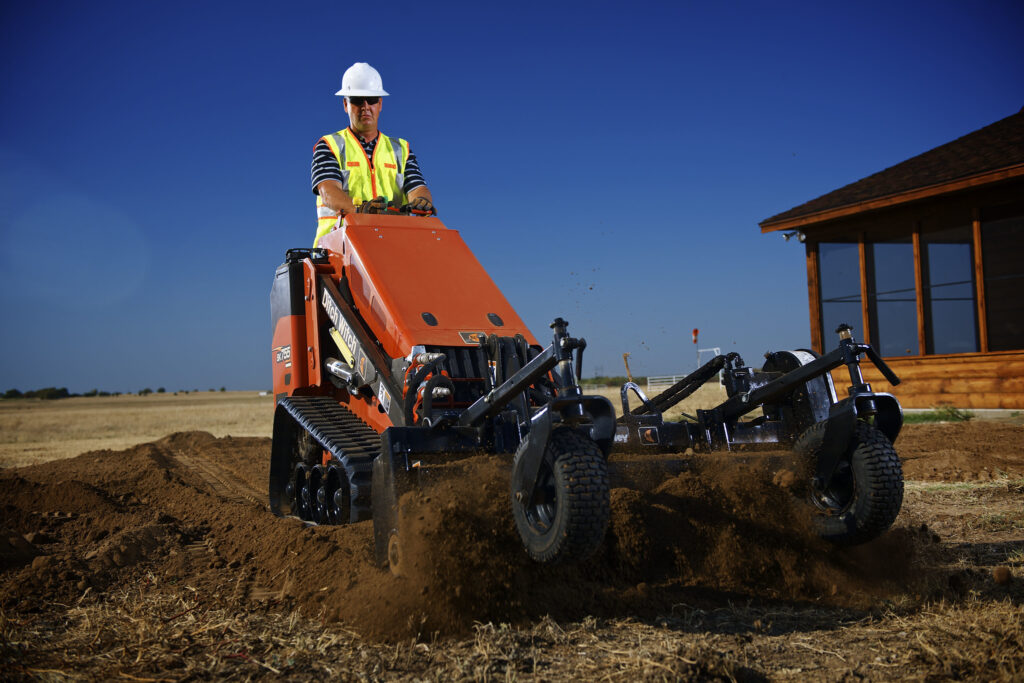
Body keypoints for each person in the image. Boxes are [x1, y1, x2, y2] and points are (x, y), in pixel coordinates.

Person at [311, 62, 434, 246]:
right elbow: (328, 191)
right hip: (337, 250)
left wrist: (421, 201)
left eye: (372, 99)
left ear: (380, 104)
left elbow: (417, 188)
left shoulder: (401, 149)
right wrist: (360, 210)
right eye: (357, 100)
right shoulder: (330, 145)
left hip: (390, 245)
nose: (365, 107)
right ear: (346, 104)